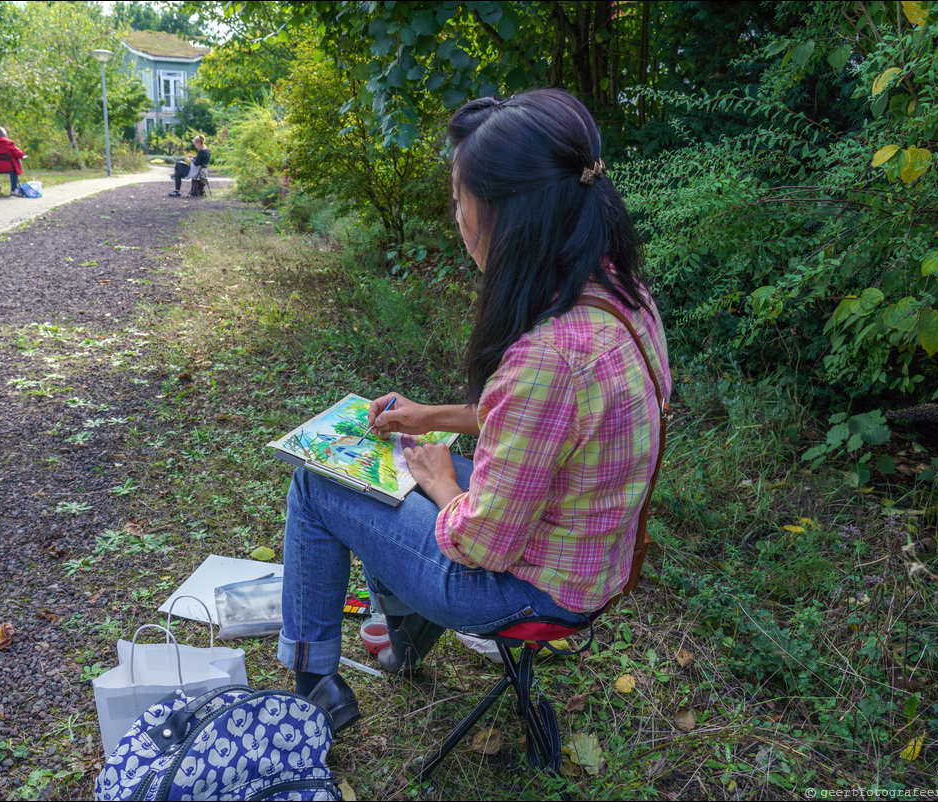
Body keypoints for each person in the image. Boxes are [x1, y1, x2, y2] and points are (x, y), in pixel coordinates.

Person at [276, 88, 672, 733]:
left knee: (316, 483)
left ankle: (314, 678)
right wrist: (431, 415)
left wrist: (441, 481)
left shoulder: (548, 356)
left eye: (458, 199)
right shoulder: (619, 296)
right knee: (398, 468)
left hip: (525, 589)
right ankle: (402, 641)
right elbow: (547, 428)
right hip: (599, 561)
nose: (456, 216)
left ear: (503, 214)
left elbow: (480, 543)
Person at [0, 126, 28, 196]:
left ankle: (12, 186)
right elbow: (20, 155)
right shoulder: (9, 143)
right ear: (4, 135)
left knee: (13, 166)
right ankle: (13, 189)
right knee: (15, 165)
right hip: (9, 168)